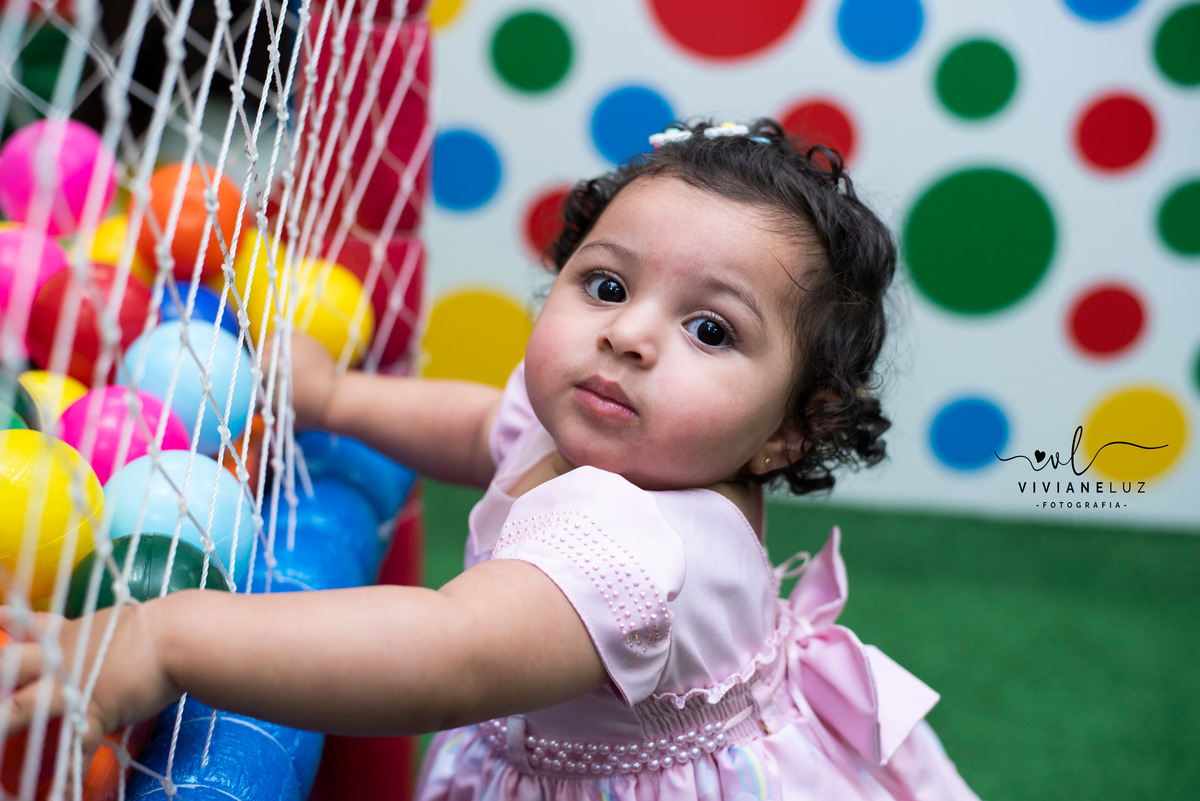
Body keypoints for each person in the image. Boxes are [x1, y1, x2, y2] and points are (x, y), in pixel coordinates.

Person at [2, 118, 979, 799]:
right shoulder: (596, 427)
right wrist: (339, 399)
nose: (631, 334)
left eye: (712, 331)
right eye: (604, 284)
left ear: (787, 433)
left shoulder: (638, 546)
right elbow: (485, 430)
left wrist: (166, 640)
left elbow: (450, 651)